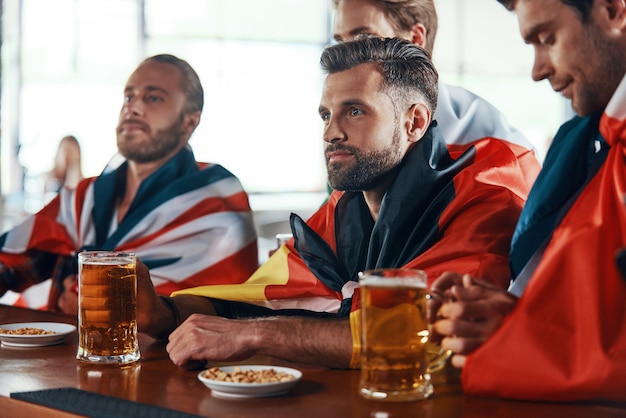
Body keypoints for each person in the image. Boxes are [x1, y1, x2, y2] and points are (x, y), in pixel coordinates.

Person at [136, 36, 541, 370]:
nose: (331, 132)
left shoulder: (484, 192)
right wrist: (162, 314)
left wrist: (254, 336)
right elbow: (257, 300)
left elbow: (420, 336)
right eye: (326, 114)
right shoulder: (346, 205)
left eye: (355, 111)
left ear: (415, 122)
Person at [429, 0, 626, 402]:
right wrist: (507, 313)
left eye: (547, 38)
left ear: (612, 10)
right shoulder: (585, 141)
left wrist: (522, 338)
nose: (538, 70)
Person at [0, 54, 259, 313]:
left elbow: (218, 312)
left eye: (153, 97)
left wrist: (86, 298)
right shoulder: (83, 197)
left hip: (161, 354)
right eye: (129, 96)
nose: (132, 107)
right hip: (58, 353)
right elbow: (11, 258)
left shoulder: (216, 202)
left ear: (190, 120)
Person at [332, 0, 536, 154]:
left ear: (415, 39)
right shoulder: (345, 135)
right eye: (340, 42)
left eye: (365, 39)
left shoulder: (496, 145)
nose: (346, 57)